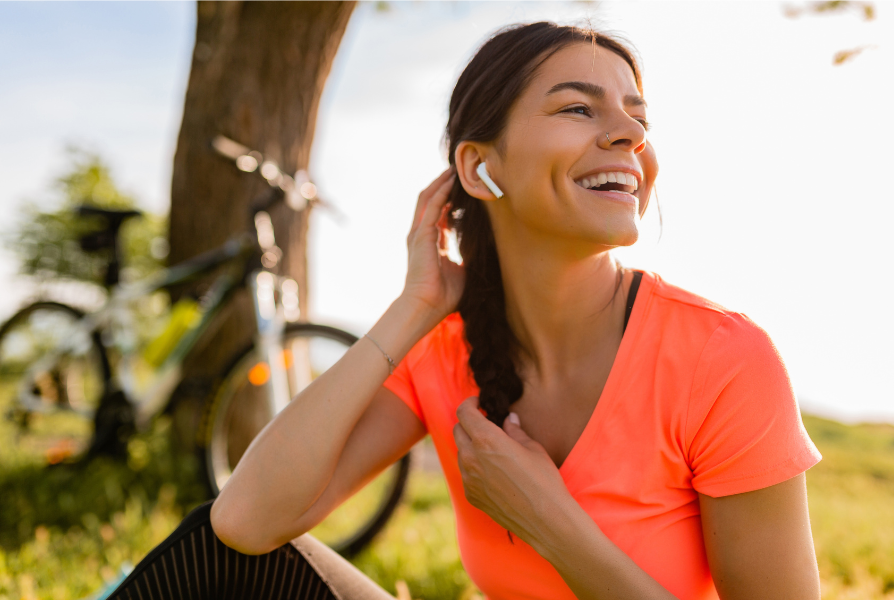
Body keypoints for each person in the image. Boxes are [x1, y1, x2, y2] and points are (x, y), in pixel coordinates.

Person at [109, 22, 822, 600]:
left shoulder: (722, 359)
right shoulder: (444, 348)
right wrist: (415, 306)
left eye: (638, 117)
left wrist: (552, 524)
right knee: (224, 561)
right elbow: (243, 523)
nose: (629, 135)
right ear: (481, 167)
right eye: (580, 108)